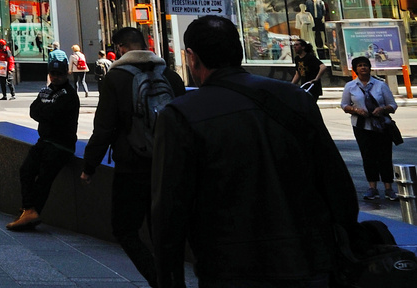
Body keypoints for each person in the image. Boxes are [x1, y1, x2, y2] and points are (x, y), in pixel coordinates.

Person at [153, 15, 358, 288]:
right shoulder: (295, 98)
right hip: (310, 259)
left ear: (192, 57)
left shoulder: (181, 114)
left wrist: (170, 279)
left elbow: (169, 211)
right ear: (238, 51)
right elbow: (337, 185)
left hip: (232, 267)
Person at [78, 26, 185, 286]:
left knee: (125, 229)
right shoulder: (171, 76)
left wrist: (89, 166)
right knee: (166, 232)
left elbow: (104, 128)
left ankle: (158, 280)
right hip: (169, 166)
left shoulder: (116, 79)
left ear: (120, 49)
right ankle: (175, 282)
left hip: (132, 166)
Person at [5, 56, 80, 231]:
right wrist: (45, 112)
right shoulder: (46, 91)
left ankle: (31, 212)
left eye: (59, 74)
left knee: (44, 179)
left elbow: (53, 115)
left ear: (66, 74)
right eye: (52, 74)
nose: (55, 77)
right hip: (45, 141)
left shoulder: (69, 94)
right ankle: (28, 209)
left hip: (61, 144)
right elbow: (34, 111)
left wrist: (44, 111)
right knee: (26, 170)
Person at [341, 55, 399, 203]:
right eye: (360, 65)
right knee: (368, 156)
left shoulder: (380, 85)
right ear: (355, 69)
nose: (363, 68)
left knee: (384, 156)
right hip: (362, 126)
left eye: (365, 65)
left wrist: (382, 109)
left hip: (381, 127)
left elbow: (393, 105)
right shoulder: (350, 87)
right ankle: (372, 187)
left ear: (369, 68)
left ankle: (388, 188)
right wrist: (356, 110)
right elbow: (344, 105)